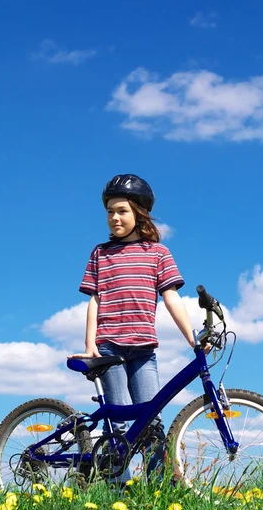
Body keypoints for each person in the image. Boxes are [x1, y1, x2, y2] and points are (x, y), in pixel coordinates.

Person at [69, 173, 202, 480]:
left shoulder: (158, 254)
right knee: (117, 424)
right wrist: (90, 346)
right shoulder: (101, 254)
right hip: (109, 347)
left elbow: (171, 298)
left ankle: (156, 491)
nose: (114, 217)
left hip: (143, 349)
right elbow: (95, 301)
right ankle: (120, 486)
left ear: (139, 214)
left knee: (151, 420)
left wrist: (193, 339)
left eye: (122, 211)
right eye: (109, 212)